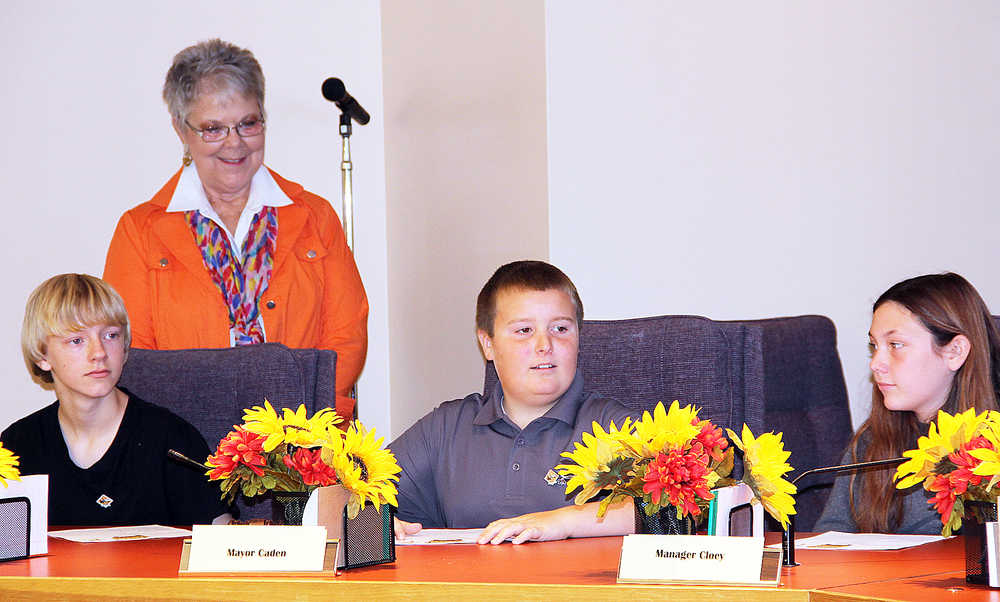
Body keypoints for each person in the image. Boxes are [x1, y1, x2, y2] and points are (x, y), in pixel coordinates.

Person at [103, 39, 367, 420]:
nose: (235, 143)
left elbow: (348, 334)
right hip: (183, 447)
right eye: (213, 129)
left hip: (305, 439)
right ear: (181, 130)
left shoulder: (315, 216)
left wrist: (298, 427)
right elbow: (132, 353)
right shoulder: (140, 231)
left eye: (248, 123)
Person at [390, 261, 637, 544]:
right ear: (488, 344)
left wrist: (562, 520)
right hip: (468, 586)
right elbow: (348, 494)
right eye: (524, 331)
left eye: (560, 328)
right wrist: (373, 523)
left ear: (579, 339)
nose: (545, 345)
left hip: (573, 588)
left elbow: (683, 508)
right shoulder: (446, 428)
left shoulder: (614, 427)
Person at [1, 274, 230, 526]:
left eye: (111, 335)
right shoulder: (17, 447)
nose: (98, 353)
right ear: (42, 355)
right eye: (77, 340)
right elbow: (9, 552)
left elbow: (220, 548)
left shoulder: (172, 441)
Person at [815, 272, 1000, 534]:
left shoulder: (992, 448)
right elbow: (832, 534)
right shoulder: (872, 440)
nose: (875, 364)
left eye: (895, 344)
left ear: (955, 352)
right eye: (874, 346)